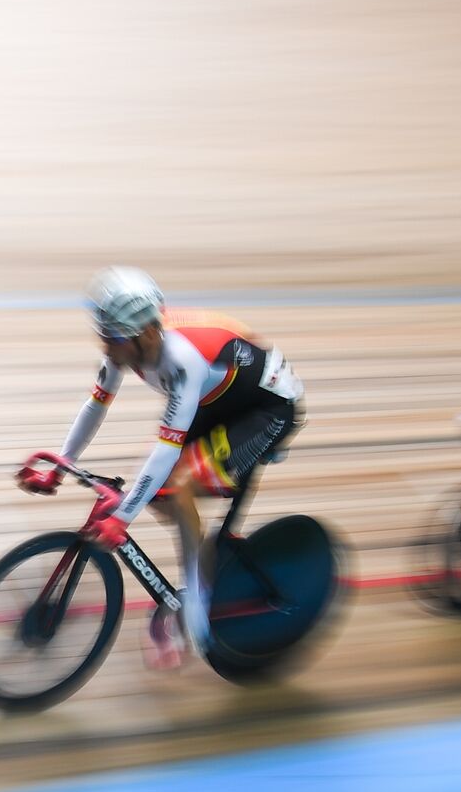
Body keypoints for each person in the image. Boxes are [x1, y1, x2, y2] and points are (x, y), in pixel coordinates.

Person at [17, 266, 305, 668]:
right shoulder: (127, 342)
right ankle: (203, 561)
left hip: (267, 409)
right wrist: (62, 467)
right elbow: (96, 405)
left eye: (113, 340)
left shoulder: (181, 360)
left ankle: (197, 611)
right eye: (103, 337)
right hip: (220, 400)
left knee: (178, 485)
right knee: (161, 492)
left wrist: (124, 517)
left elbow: (166, 450)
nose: (107, 349)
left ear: (146, 334)